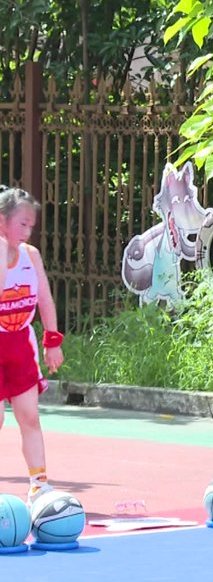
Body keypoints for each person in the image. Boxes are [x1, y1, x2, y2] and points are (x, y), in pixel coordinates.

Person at [0, 186, 64, 505]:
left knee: (29, 417)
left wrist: (53, 340)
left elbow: (45, 300)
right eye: (21, 224)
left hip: (20, 347)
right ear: (2, 222)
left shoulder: (32, 256)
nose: (27, 231)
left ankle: (39, 485)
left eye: (31, 226)